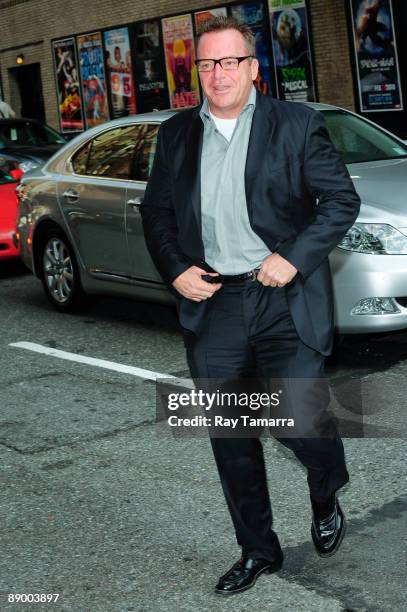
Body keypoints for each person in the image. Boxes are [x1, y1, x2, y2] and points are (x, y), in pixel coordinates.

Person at [141, 16, 361, 596]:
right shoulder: (177, 134)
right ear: (197, 73)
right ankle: (258, 550)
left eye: (230, 61)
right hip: (215, 301)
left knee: (298, 420)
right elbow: (157, 213)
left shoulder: (296, 125)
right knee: (232, 435)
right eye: (207, 64)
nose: (218, 74)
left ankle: (325, 478)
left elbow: (340, 200)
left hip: (282, 296)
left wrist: (293, 256)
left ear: (253, 69)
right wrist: (176, 267)